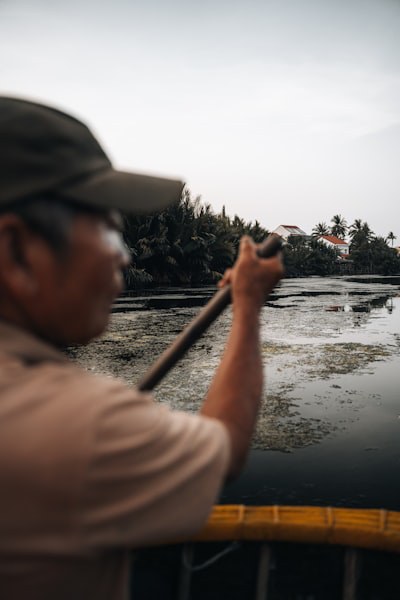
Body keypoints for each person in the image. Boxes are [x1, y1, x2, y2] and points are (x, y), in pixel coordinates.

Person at [0, 97, 283, 600]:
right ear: (17, 251)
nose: (126, 258)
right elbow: (225, 449)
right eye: (111, 232)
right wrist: (247, 306)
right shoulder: (78, 423)